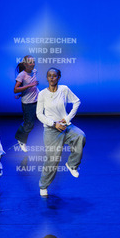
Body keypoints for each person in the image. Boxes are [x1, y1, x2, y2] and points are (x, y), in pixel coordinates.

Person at [36, 68, 86, 197]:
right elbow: (39, 114)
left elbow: (77, 102)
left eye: (54, 76)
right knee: (52, 160)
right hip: (51, 129)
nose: (52, 78)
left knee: (80, 136)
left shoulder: (64, 89)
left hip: (65, 126)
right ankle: (43, 185)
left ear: (59, 77)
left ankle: (72, 165)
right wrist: (54, 123)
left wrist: (67, 118)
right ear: (47, 78)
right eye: (49, 76)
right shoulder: (42, 94)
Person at [13, 55, 39, 152]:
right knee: (29, 124)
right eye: (30, 62)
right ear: (25, 64)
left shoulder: (34, 71)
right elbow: (15, 89)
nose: (33, 64)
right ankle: (20, 139)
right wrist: (30, 85)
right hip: (28, 103)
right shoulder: (21, 75)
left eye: (33, 62)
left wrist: (22, 93)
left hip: (37, 99)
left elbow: (31, 86)